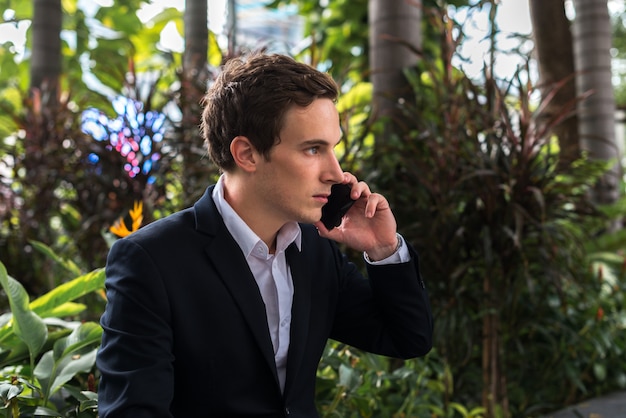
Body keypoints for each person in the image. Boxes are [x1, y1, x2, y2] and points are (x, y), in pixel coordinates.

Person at [96, 52, 433, 418]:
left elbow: (407, 338)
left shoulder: (314, 250)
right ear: (247, 154)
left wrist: (383, 248)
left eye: (332, 148)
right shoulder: (152, 261)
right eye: (313, 149)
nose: (336, 173)